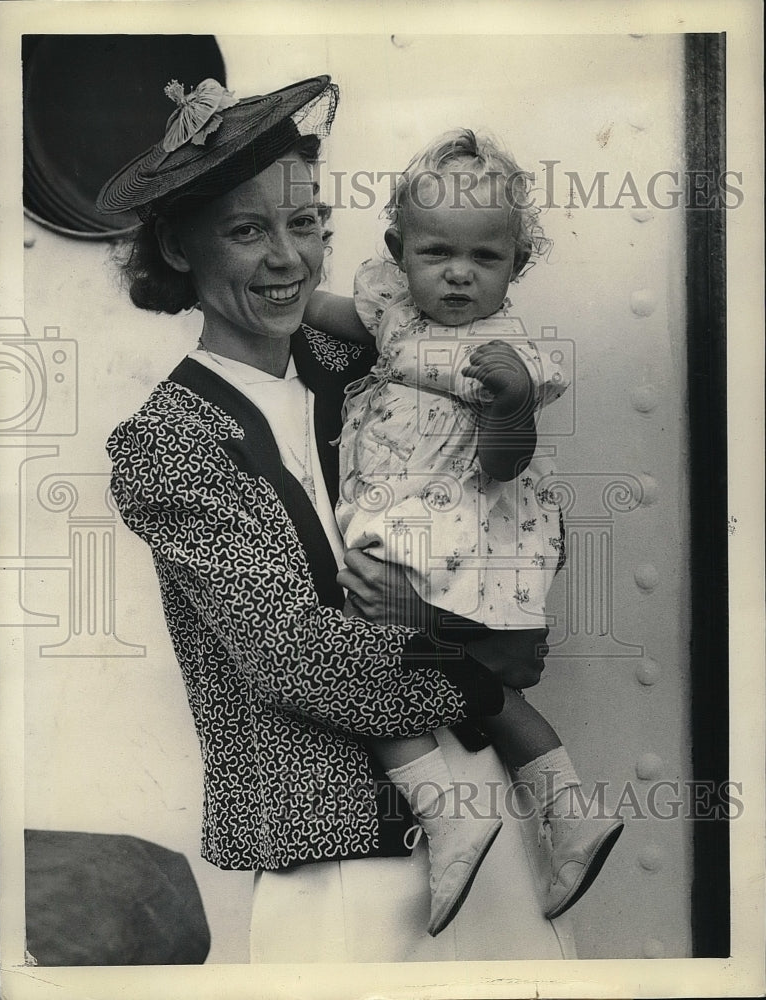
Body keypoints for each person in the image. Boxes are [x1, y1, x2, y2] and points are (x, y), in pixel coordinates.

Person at [97, 75, 576, 962]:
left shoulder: (361, 367)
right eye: (248, 231)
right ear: (175, 246)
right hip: (343, 860)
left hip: (484, 808)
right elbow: (294, 659)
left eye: (305, 221)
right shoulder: (169, 442)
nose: (289, 259)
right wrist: (480, 667)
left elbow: (507, 501)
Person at [305, 129, 623, 933]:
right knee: (484, 686)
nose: (457, 273)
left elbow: (507, 461)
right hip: (405, 519)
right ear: (398, 251)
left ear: (516, 266)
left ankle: (444, 813)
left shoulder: (509, 352)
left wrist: (511, 405)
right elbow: (333, 314)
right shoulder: (395, 312)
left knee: (359, 656)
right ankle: (571, 809)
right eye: (436, 252)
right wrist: (281, 287)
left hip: (449, 532)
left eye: (483, 259)